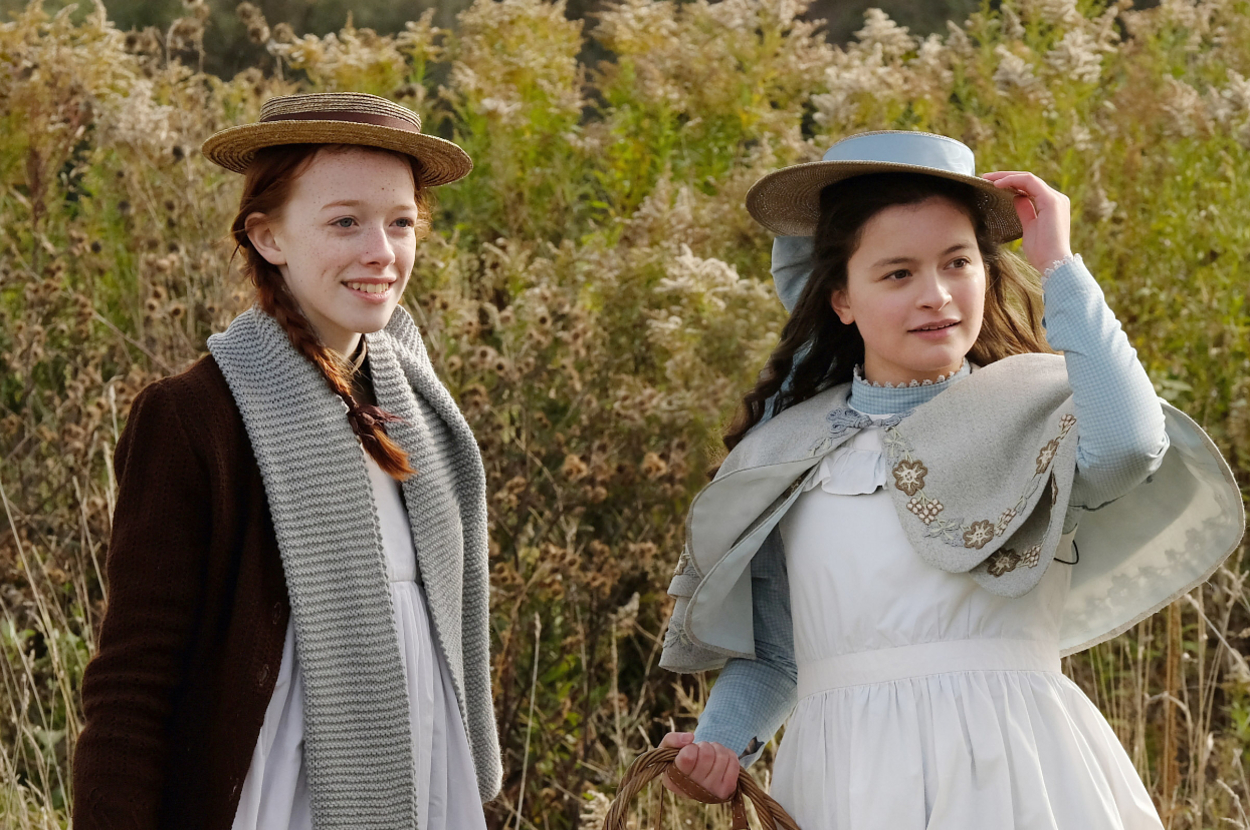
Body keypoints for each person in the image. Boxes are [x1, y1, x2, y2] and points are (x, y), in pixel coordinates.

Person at [655, 131, 1243, 828]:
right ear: (842, 298)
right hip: (845, 783)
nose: (936, 296)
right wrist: (717, 751)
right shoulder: (785, 454)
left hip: (1019, 771)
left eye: (958, 263)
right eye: (898, 273)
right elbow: (779, 655)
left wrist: (1057, 261)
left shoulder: (1036, 411)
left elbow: (1128, 447)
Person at [73, 92, 501, 830]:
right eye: (345, 222)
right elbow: (133, 680)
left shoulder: (415, 407)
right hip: (275, 798)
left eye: (401, 222)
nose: (382, 251)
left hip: (424, 785)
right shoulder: (195, 416)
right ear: (268, 236)